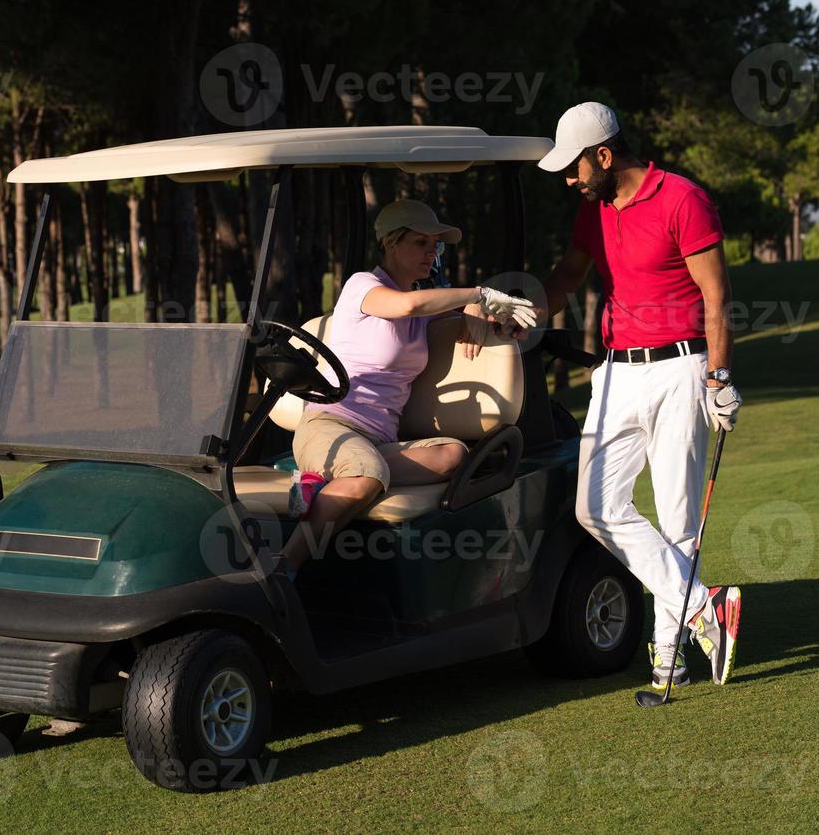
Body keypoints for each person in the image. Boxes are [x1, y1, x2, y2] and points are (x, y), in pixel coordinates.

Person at [538, 102, 744, 688]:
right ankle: (704, 607)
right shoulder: (594, 212)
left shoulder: (683, 198)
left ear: (604, 155)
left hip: (682, 368)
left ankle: (667, 651)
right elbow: (566, 280)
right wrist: (518, 315)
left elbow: (716, 294)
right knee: (594, 507)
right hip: (617, 372)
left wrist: (720, 377)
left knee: (679, 517)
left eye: (575, 168)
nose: (572, 181)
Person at [276, 199, 537, 578]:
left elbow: (452, 315)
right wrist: (476, 295)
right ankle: (281, 570)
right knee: (366, 476)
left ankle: (323, 482)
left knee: (452, 454)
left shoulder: (425, 311)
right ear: (391, 244)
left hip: (379, 441)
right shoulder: (363, 287)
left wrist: (498, 320)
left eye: (436, 247)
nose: (430, 254)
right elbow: (409, 305)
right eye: (420, 243)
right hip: (331, 427)